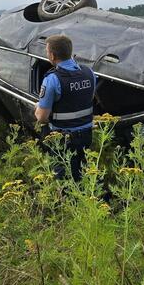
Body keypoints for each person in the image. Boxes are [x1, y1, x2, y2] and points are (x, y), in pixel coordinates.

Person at [35, 34, 96, 181]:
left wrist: (37, 107)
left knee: (63, 178)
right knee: (82, 174)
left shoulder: (52, 79)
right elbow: (87, 98)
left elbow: (42, 117)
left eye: (47, 51)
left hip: (63, 139)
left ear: (52, 55)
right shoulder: (89, 73)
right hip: (87, 135)